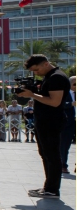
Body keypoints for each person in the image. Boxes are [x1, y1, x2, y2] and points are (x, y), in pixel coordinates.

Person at [17, 54, 69, 198]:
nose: (36, 73)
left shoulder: (56, 77)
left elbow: (54, 102)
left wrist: (32, 95)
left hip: (51, 121)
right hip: (44, 121)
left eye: (36, 69)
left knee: (52, 155)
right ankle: (48, 186)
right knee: (45, 154)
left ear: (46, 64)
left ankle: (52, 189)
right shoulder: (49, 77)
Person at [59, 77, 75, 174]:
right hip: (68, 123)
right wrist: (71, 104)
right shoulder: (64, 93)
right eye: (74, 84)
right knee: (64, 146)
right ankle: (63, 165)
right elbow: (60, 104)